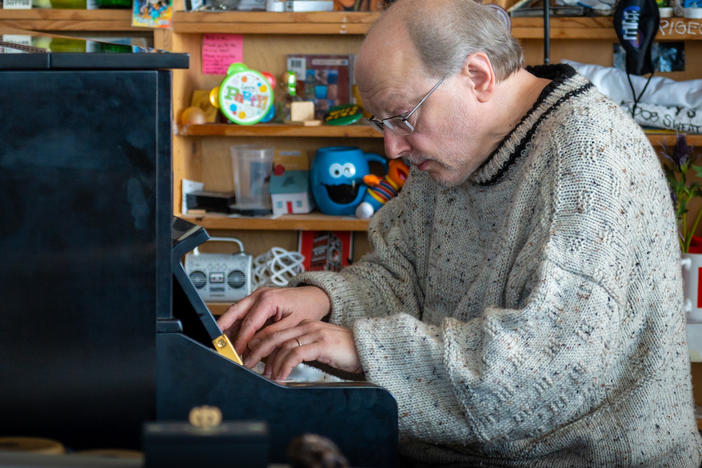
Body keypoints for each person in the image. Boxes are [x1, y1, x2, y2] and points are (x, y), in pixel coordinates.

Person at [218, 0, 702, 464]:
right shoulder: (454, 152)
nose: (391, 148)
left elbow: (544, 374)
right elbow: (404, 274)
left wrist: (361, 348)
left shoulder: (591, 159)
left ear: (477, 75)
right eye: (381, 124)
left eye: (404, 117)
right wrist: (324, 302)